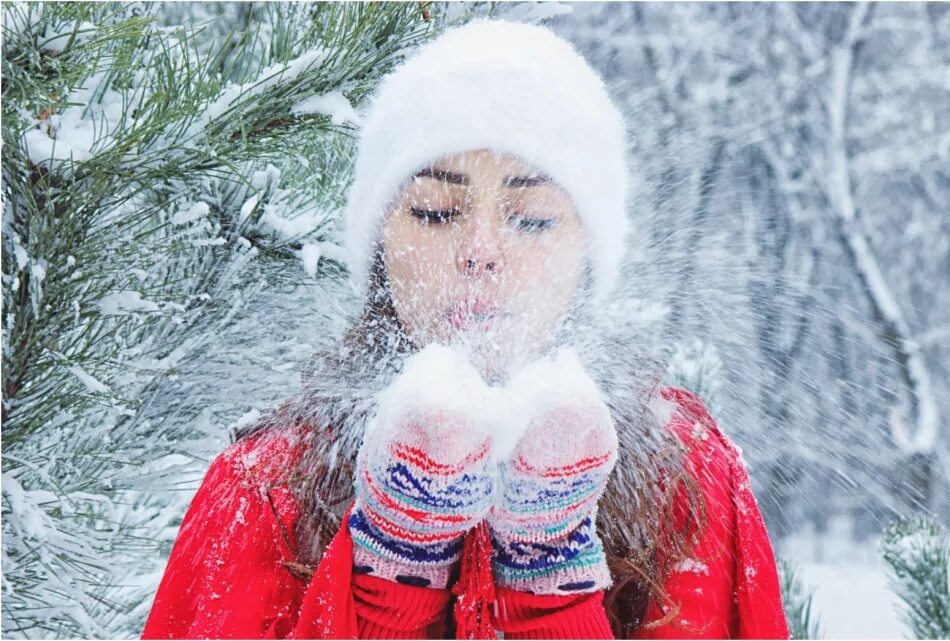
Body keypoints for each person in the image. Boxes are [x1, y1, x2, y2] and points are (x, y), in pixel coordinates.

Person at [141, 19, 790, 640]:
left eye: (532, 218)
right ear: (379, 247)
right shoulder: (265, 489)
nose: (480, 249)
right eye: (434, 211)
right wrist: (389, 571)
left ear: (587, 256)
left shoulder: (687, 478)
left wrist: (551, 576)